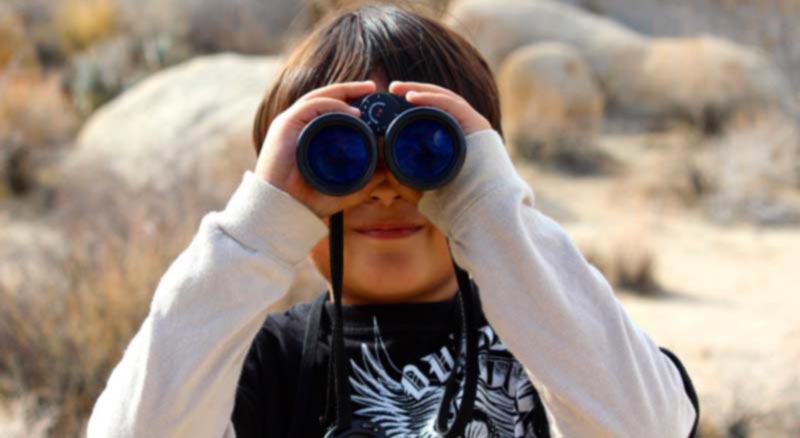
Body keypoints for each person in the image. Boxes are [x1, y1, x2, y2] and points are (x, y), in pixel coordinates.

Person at [87, 4, 699, 437]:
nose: (384, 191)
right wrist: (257, 230)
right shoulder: (260, 361)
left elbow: (645, 426)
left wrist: (492, 213)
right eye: (338, 156)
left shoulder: (552, 337)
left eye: (428, 153)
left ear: (482, 164)